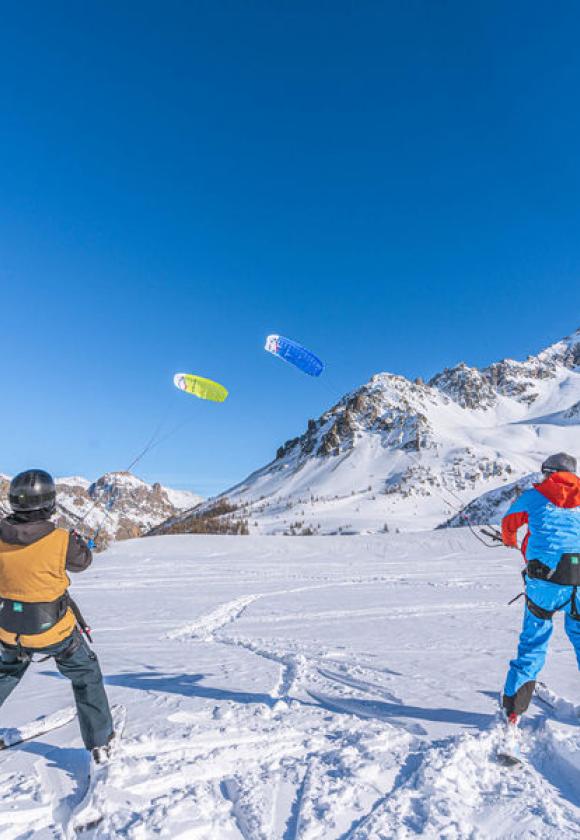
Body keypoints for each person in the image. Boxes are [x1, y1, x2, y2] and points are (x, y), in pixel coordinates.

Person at [0, 469, 114, 761]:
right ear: (50, 503)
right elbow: (83, 562)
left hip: (8, 629)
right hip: (53, 631)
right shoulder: (61, 540)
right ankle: (100, 742)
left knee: (6, 673)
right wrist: (76, 541)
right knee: (86, 674)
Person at [501, 452, 580, 725]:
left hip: (545, 583)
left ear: (549, 473)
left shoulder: (534, 497)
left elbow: (508, 526)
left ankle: (514, 709)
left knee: (534, 641)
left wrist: (512, 542)